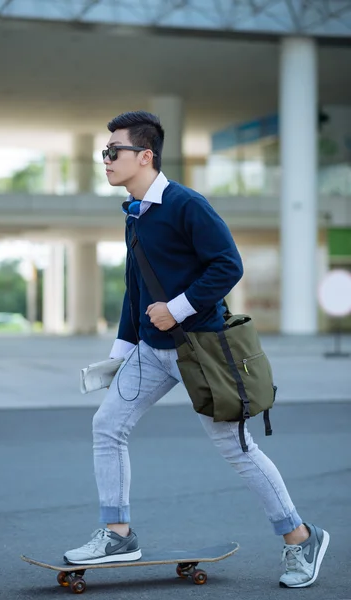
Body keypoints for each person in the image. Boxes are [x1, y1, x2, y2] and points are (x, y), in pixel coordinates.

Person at [64, 111, 329, 588]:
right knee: (107, 426)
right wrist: (120, 352)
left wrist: (178, 308)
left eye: (113, 152)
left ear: (145, 156)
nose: (105, 160)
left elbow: (228, 265)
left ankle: (300, 537)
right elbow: (135, 288)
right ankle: (118, 532)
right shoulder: (135, 213)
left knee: (237, 448)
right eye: (104, 153)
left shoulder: (186, 204)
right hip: (150, 351)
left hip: (201, 349)